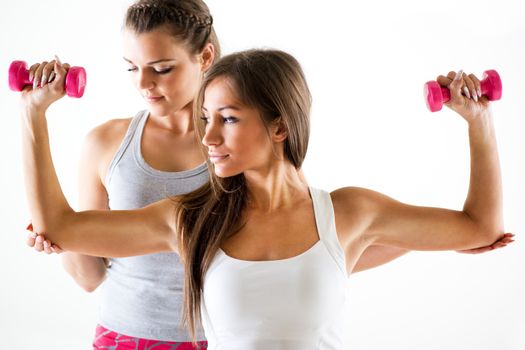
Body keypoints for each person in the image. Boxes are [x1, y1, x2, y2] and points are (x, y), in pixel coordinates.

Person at [20, 48, 508, 349]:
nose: (208, 137)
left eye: (227, 118)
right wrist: (33, 113)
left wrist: (479, 122)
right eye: (205, 118)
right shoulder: (190, 220)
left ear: (280, 125)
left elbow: (480, 227)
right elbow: (59, 227)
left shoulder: (350, 214)